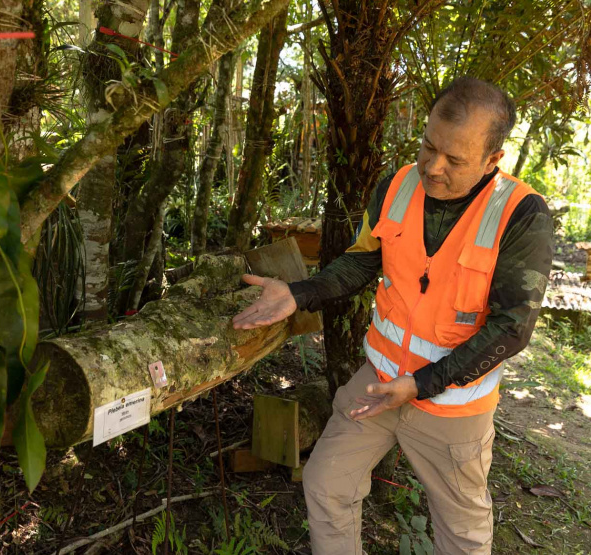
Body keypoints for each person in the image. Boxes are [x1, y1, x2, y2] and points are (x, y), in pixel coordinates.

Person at [233, 77, 554, 554]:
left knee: (462, 537)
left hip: (452, 407)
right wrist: (299, 293)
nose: (433, 167)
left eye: (455, 160)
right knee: (326, 484)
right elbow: (362, 260)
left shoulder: (521, 215)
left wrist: (422, 384)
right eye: (428, 146)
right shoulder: (398, 186)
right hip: (378, 381)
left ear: (492, 161)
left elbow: (513, 328)